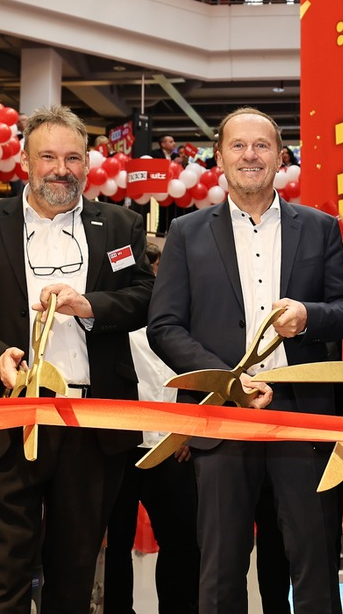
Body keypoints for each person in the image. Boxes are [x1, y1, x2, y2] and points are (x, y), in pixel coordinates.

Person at [0, 105, 155, 614]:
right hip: (9, 416)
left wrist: (91, 305)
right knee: (1, 574)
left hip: (92, 422)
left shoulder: (119, 224)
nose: (61, 168)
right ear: (25, 162)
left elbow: (145, 296)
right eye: (48, 156)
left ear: (88, 164)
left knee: (73, 577)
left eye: (73, 158)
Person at [147, 107, 343, 614]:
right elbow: (164, 326)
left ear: (281, 158)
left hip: (302, 417)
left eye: (261, 145)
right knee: (220, 568)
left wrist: (308, 316)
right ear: (219, 156)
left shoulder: (321, 227)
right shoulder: (188, 234)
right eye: (238, 146)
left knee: (314, 562)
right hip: (223, 416)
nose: (250, 155)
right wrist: (228, 383)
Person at [104, 242, 200, 614]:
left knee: (182, 546)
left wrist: (190, 428)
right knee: (116, 547)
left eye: (156, 265)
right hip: (119, 446)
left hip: (173, 446)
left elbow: (198, 374)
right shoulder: (108, 312)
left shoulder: (185, 313)